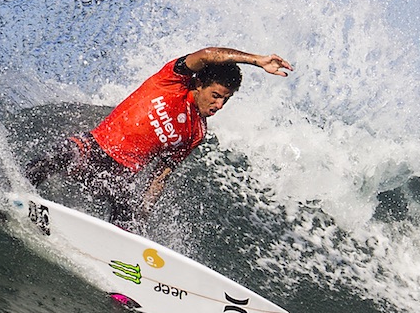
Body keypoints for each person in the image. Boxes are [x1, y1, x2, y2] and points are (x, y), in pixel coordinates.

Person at [23, 47, 293, 231]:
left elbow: (160, 176)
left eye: (226, 99)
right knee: (63, 153)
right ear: (199, 84)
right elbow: (209, 54)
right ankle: (14, 196)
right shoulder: (171, 81)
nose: (220, 105)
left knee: (128, 216)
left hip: (118, 178)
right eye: (216, 95)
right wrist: (257, 61)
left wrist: (142, 216)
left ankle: (119, 278)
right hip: (94, 149)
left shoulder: (196, 132)